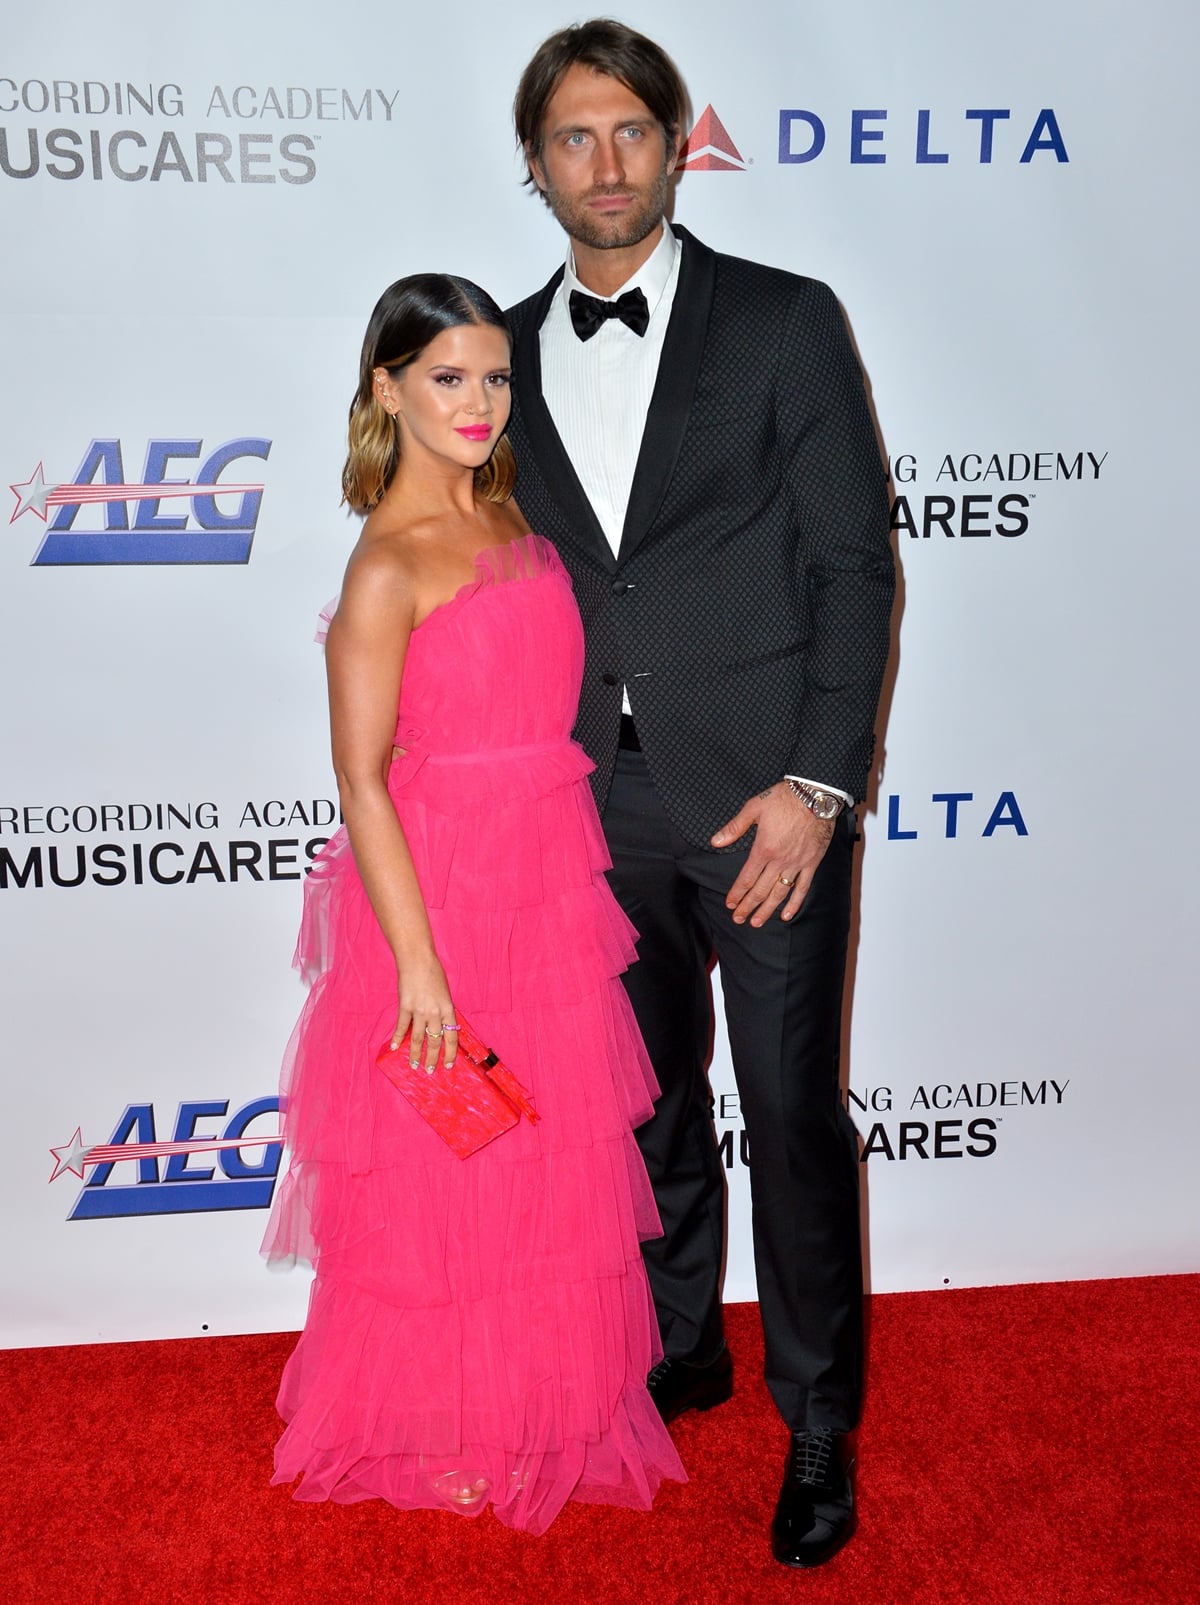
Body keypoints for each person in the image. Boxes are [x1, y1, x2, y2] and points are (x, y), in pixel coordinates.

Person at [505, 21, 894, 1568]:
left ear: (679, 145)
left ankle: (817, 1419)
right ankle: (686, 1345)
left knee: (792, 1110)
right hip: (587, 804)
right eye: (571, 140)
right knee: (644, 1099)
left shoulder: (786, 321)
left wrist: (819, 782)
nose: (604, 165)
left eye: (629, 133)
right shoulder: (501, 351)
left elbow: (858, 567)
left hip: (765, 804)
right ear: (533, 168)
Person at [261, 272, 684, 1535]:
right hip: (438, 908)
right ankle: (447, 1422)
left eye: (497, 377)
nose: (480, 402)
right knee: (453, 1179)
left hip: (549, 895)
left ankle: (538, 1403)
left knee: (546, 1167)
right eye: (449, 377)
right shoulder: (385, 565)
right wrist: (419, 973)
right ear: (385, 388)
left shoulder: (520, 526)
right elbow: (362, 784)